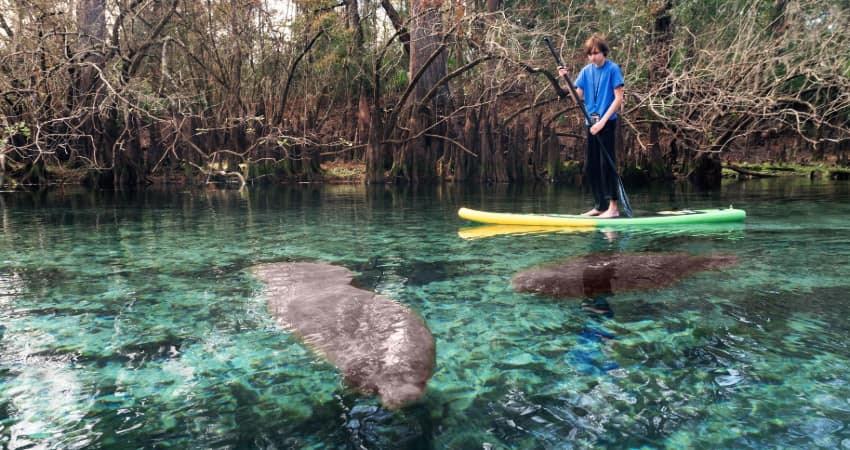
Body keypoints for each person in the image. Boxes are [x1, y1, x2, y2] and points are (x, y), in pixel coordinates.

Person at [558, 35, 625, 218]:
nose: (593, 57)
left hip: (607, 123)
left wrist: (603, 121)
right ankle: (600, 206)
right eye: (590, 54)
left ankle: (613, 207)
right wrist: (566, 79)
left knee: (606, 165)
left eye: (596, 53)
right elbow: (577, 97)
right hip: (591, 124)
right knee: (591, 166)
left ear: (603, 52)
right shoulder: (586, 71)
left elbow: (618, 98)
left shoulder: (613, 69)